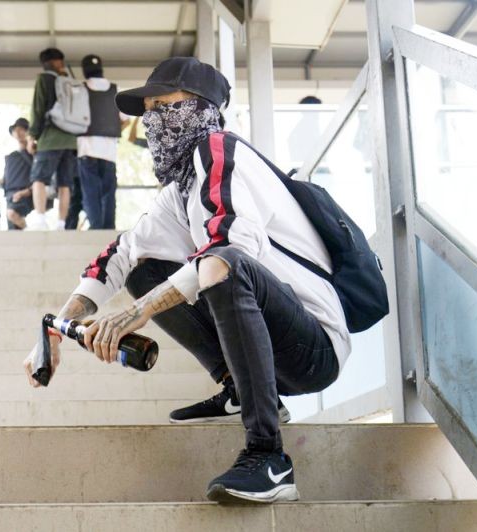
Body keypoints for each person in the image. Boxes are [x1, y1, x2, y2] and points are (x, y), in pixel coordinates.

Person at [24, 57, 350, 504]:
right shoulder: (180, 189)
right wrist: (56, 328)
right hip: (271, 343)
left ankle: (269, 456)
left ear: (202, 109)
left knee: (224, 262)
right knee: (143, 267)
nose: (154, 120)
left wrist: (134, 315)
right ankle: (239, 387)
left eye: (165, 105)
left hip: (313, 347)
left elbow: (226, 255)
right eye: (148, 110)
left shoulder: (219, 152)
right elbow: (118, 256)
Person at [27, 48, 78, 231]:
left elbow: (38, 109)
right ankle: (61, 223)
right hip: (71, 139)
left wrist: (32, 135)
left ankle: (40, 219)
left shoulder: (44, 79)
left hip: (50, 139)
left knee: (39, 178)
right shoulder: (70, 81)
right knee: (65, 182)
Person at [76, 54, 123, 230]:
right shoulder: (114, 89)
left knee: (90, 192)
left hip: (86, 147)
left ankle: (95, 228)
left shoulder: (81, 88)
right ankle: (108, 228)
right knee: (108, 193)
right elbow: (123, 119)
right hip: (109, 150)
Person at [0, 118, 34, 230]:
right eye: (15, 130)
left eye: (22, 129)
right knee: (13, 232)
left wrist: (26, 192)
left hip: (26, 196)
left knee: (12, 214)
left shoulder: (35, 154)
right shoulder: (11, 157)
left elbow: (41, 178)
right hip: (10, 196)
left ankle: (32, 231)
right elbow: (6, 179)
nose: (18, 132)